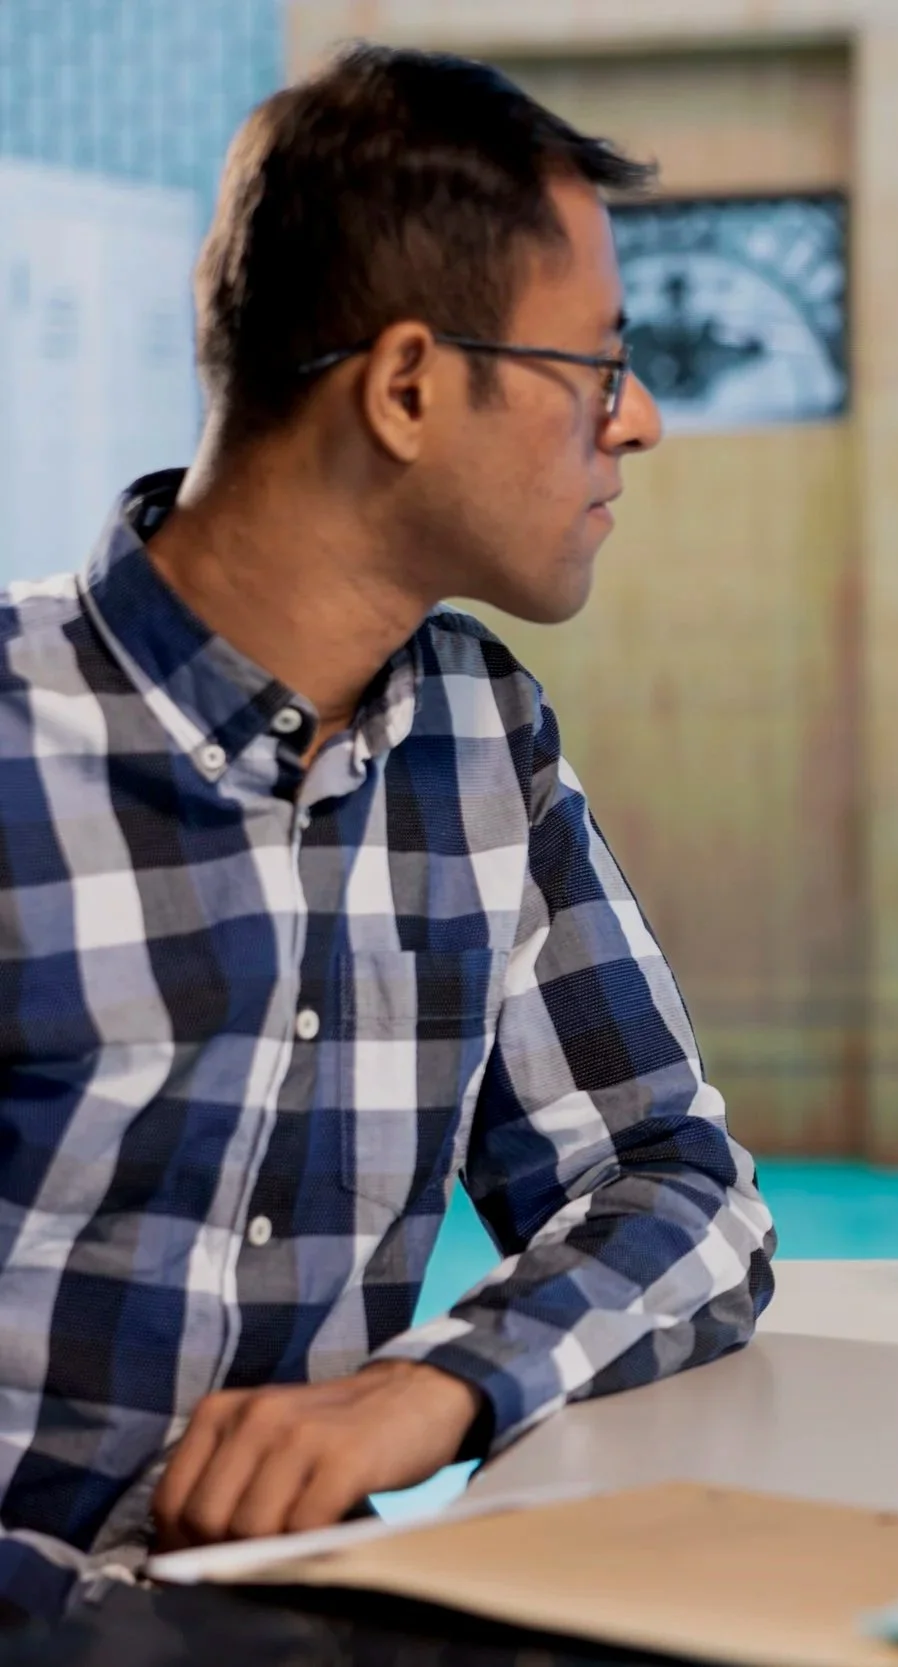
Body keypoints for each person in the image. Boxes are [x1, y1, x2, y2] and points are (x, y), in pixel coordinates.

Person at [0, 47, 776, 1618]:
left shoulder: (483, 738)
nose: (639, 424)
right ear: (410, 385)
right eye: (595, 366)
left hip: (285, 1611)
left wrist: (435, 1384)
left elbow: (677, 1180)